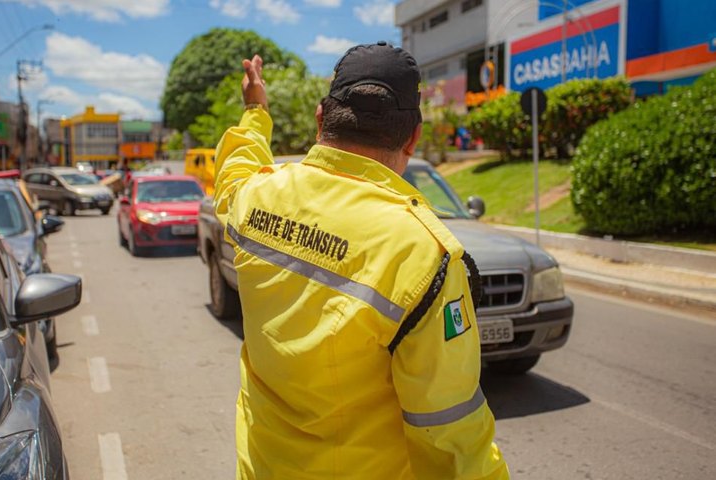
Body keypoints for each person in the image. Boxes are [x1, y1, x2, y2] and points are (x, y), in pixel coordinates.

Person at [214, 43, 509, 479]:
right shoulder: (423, 253)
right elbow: (449, 432)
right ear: (413, 137)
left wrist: (256, 111)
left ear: (320, 119)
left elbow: (234, 170)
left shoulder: (258, 195)